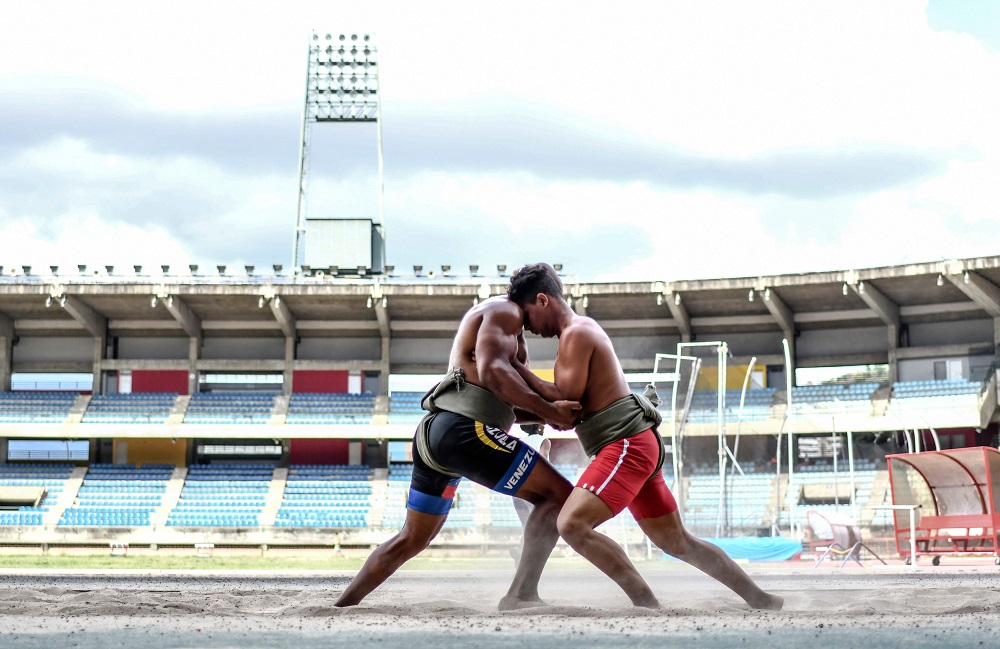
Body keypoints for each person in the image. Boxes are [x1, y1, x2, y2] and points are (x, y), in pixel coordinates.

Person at [507, 263, 783, 611]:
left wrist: (514, 369)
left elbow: (566, 402)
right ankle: (761, 599)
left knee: (572, 523)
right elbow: (563, 414)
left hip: (625, 445)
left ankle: (646, 602)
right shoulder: (575, 334)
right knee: (676, 540)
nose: (528, 328)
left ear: (543, 300)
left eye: (527, 316)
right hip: (634, 443)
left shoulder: (577, 332)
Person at [334, 296, 580, 610]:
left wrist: (546, 416)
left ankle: (342, 605)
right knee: (558, 496)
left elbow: (493, 403)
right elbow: (493, 372)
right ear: (540, 300)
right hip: (464, 432)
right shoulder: (507, 312)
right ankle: (521, 595)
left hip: (437, 433)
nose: (555, 324)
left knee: (412, 538)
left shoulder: (493, 320)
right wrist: (548, 409)